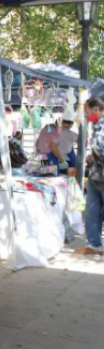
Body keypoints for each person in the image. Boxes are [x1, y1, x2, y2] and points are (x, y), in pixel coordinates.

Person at [75, 96, 104, 256]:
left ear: (96, 110)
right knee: (92, 210)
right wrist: (91, 157)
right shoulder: (96, 127)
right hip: (95, 174)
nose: (86, 116)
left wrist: (96, 153)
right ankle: (94, 245)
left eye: (87, 112)